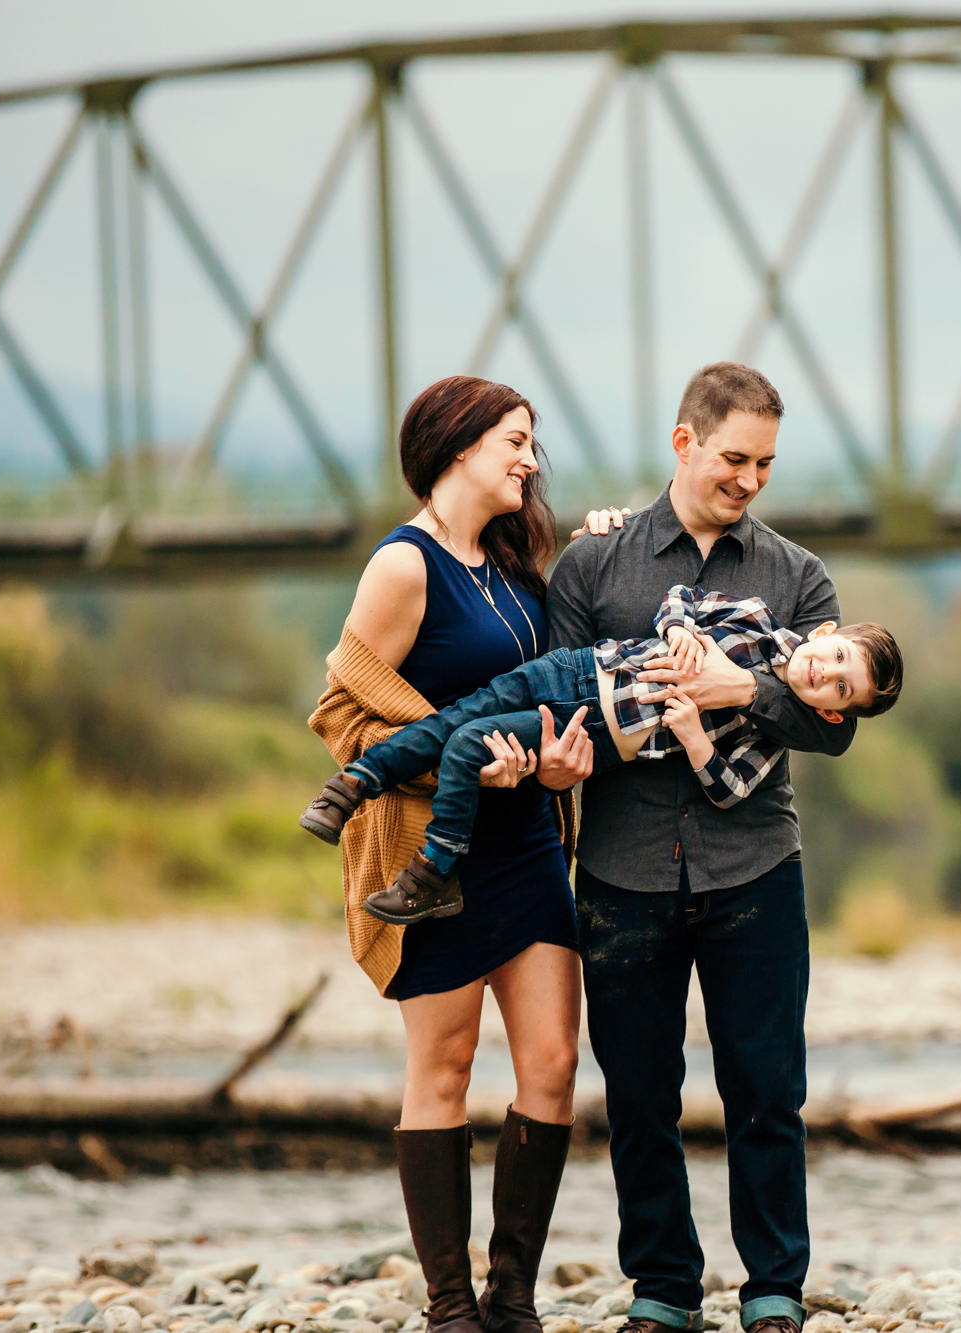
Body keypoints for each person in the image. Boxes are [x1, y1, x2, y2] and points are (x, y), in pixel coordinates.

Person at [547, 361, 852, 1333]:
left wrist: (741, 693)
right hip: (621, 872)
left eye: (764, 462)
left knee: (766, 1089)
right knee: (638, 1096)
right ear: (683, 443)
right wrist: (565, 756)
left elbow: (834, 725)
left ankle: (773, 1288)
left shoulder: (798, 576)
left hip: (757, 866)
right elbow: (557, 699)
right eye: (733, 457)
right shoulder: (593, 564)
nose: (750, 478)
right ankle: (664, 1287)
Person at [307, 376, 597, 1333]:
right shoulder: (404, 567)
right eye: (515, 441)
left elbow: (552, 696)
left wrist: (552, 769)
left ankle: (512, 1295)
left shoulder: (516, 565)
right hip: (436, 851)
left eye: (531, 444)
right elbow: (341, 714)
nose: (528, 459)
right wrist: (457, 764)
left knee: (551, 1062)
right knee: (446, 1062)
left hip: (527, 845)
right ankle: (448, 1305)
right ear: (458, 446)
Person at [299, 585, 903, 924]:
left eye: (840, 690)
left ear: (833, 712)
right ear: (827, 635)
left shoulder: (770, 734)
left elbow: (729, 789)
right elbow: (678, 597)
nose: (826, 675)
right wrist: (678, 630)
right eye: (839, 659)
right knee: (459, 716)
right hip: (578, 669)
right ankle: (354, 783)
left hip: (587, 729)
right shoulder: (754, 618)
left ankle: (435, 871)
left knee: (462, 746)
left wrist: (695, 738)